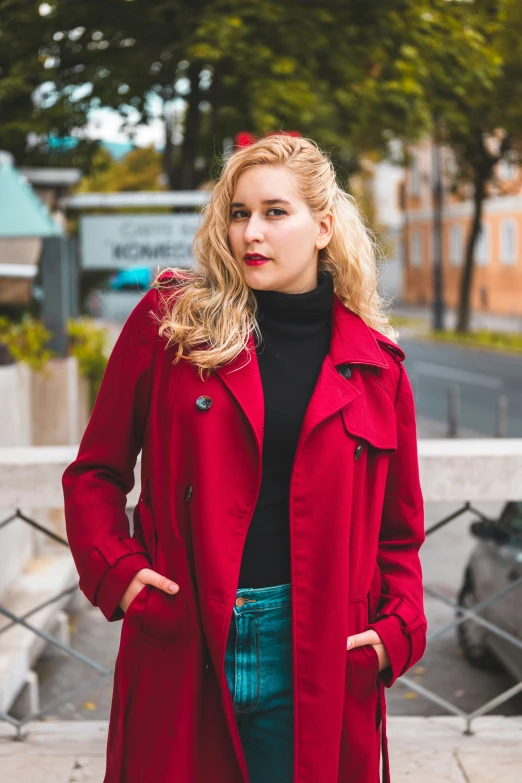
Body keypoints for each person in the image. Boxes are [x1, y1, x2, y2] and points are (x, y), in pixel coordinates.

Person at [63, 134, 426, 783]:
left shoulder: (377, 366)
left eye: (274, 212)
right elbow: (95, 473)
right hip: (187, 632)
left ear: (323, 226)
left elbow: (398, 534)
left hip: (319, 647)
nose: (250, 231)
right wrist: (121, 573)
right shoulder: (170, 324)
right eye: (238, 212)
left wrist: (395, 629)